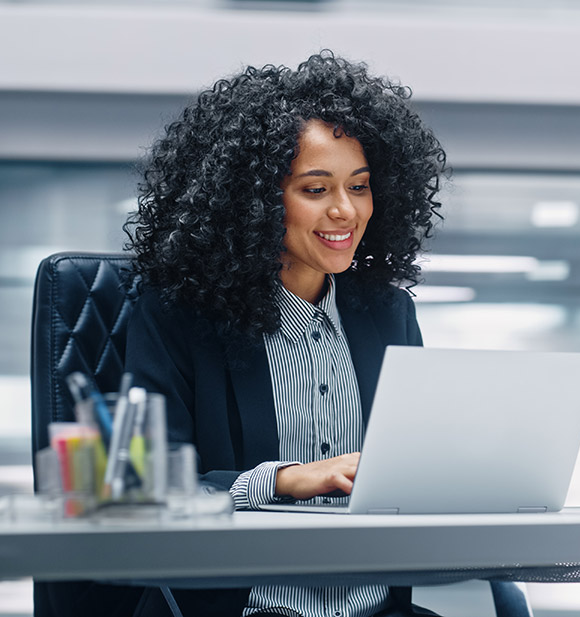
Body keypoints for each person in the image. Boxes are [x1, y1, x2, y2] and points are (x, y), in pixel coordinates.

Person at [122, 50, 446, 617]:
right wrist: (282, 480)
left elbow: (411, 467)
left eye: (361, 186)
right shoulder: (179, 316)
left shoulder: (387, 313)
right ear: (251, 201)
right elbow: (142, 491)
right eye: (315, 190)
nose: (346, 210)